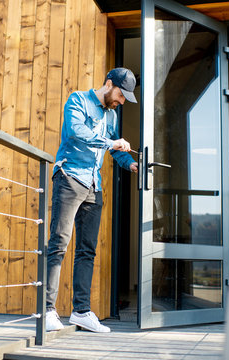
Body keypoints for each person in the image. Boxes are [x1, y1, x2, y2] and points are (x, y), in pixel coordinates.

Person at [45, 68, 138, 333]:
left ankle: (81, 312)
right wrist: (111, 142)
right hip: (70, 177)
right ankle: (48, 310)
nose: (121, 102)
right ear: (109, 84)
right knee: (59, 244)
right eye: (120, 95)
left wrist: (130, 163)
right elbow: (76, 132)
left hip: (93, 186)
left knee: (87, 250)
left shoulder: (111, 114)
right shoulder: (78, 100)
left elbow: (114, 150)